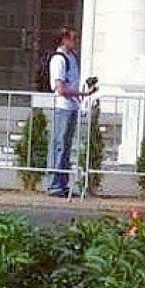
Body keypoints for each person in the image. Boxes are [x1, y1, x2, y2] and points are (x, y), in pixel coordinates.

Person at [47, 26, 94, 197]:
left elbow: (71, 82)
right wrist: (82, 94)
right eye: (73, 38)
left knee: (66, 147)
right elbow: (60, 88)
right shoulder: (58, 59)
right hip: (62, 107)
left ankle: (62, 183)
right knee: (59, 145)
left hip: (72, 106)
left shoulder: (72, 57)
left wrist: (83, 90)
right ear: (64, 39)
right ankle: (54, 184)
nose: (76, 41)